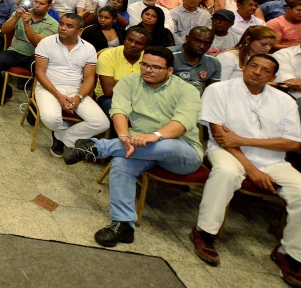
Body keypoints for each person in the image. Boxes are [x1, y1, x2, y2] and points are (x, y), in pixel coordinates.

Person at [63, 46, 204, 248]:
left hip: (181, 152)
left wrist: (154, 136)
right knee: (121, 163)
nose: (147, 70)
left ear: (170, 71)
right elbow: (119, 112)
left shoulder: (187, 90)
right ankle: (123, 225)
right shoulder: (129, 82)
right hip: (135, 145)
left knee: (166, 146)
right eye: (144, 64)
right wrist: (124, 136)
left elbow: (182, 123)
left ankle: (98, 147)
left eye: (155, 67)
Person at [191, 55, 301, 288]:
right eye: (253, 66)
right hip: (228, 152)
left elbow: (293, 144)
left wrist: (244, 140)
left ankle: (290, 254)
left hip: (273, 161)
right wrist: (251, 169)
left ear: (273, 77)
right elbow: (223, 138)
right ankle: (205, 232)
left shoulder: (285, 101)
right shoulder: (219, 90)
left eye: (265, 70)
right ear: (244, 66)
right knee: (226, 173)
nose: (257, 72)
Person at [33, 13, 109, 156]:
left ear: (79, 30)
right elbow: (40, 73)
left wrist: (78, 97)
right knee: (51, 120)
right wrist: (59, 96)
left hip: (76, 90)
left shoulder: (88, 48)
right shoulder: (47, 42)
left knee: (102, 123)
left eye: (69, 26)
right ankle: (63, 130)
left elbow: (89, 78)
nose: (63, 28)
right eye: (61, 24)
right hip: (48, 88)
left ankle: (62, 137)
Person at [0, 0, 58, 102]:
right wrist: (16, 17)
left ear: (50, 6)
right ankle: (6, 91)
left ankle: (33, 103)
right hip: (14, 51)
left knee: (45, 75)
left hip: (35, 56)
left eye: (42, 4)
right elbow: (4, 30)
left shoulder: (53, 24)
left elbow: (38, 43)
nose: (37, 5)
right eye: (35, 1)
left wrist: (27, 24)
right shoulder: (21, 13)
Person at [94, 25, 150, 114]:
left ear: (146, 47)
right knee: (120, 114)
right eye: (130, 40)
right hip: (110, 97)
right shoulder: (108, 55)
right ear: (125, 39)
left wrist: (119, 83)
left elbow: (153, 84)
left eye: (138, 43)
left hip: (141, 96)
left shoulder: (149, 58)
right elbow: (109, 91)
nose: (132, 45)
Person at [171, 26, 221, 94]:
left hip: (197, 102)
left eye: (207, 43)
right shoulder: (169, 55)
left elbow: (213, 91)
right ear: (187, 38)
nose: (202, 46)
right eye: (198, 41)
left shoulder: (213, 62)